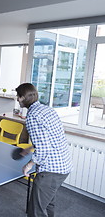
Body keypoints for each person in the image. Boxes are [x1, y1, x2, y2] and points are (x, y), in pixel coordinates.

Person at [16, 83, 72, 217]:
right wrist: (29, 148)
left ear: (24, 97)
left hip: (51, 170)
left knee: (36, 211)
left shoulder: (33, 117)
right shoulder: (47, 110)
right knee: (48, 204)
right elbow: (50, 138)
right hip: (63, 165)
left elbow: (43, 149)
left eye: (18, 96)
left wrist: (28, 165)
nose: (17, 99)